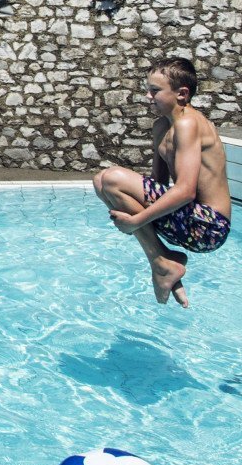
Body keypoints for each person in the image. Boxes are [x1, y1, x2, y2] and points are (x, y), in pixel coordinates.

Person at [91, 57, 232, 308]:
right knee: (101, 182)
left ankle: (162, 263)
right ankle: (161, 262)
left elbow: (186, 191)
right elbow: (157, 184)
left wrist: (136, 221)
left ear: (182, 94)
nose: (148, 96)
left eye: (155, 90)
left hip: (209, 226)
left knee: (111, 178)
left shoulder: (189, 123)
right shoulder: (161, 127)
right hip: (187, 219)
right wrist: (131, 209)